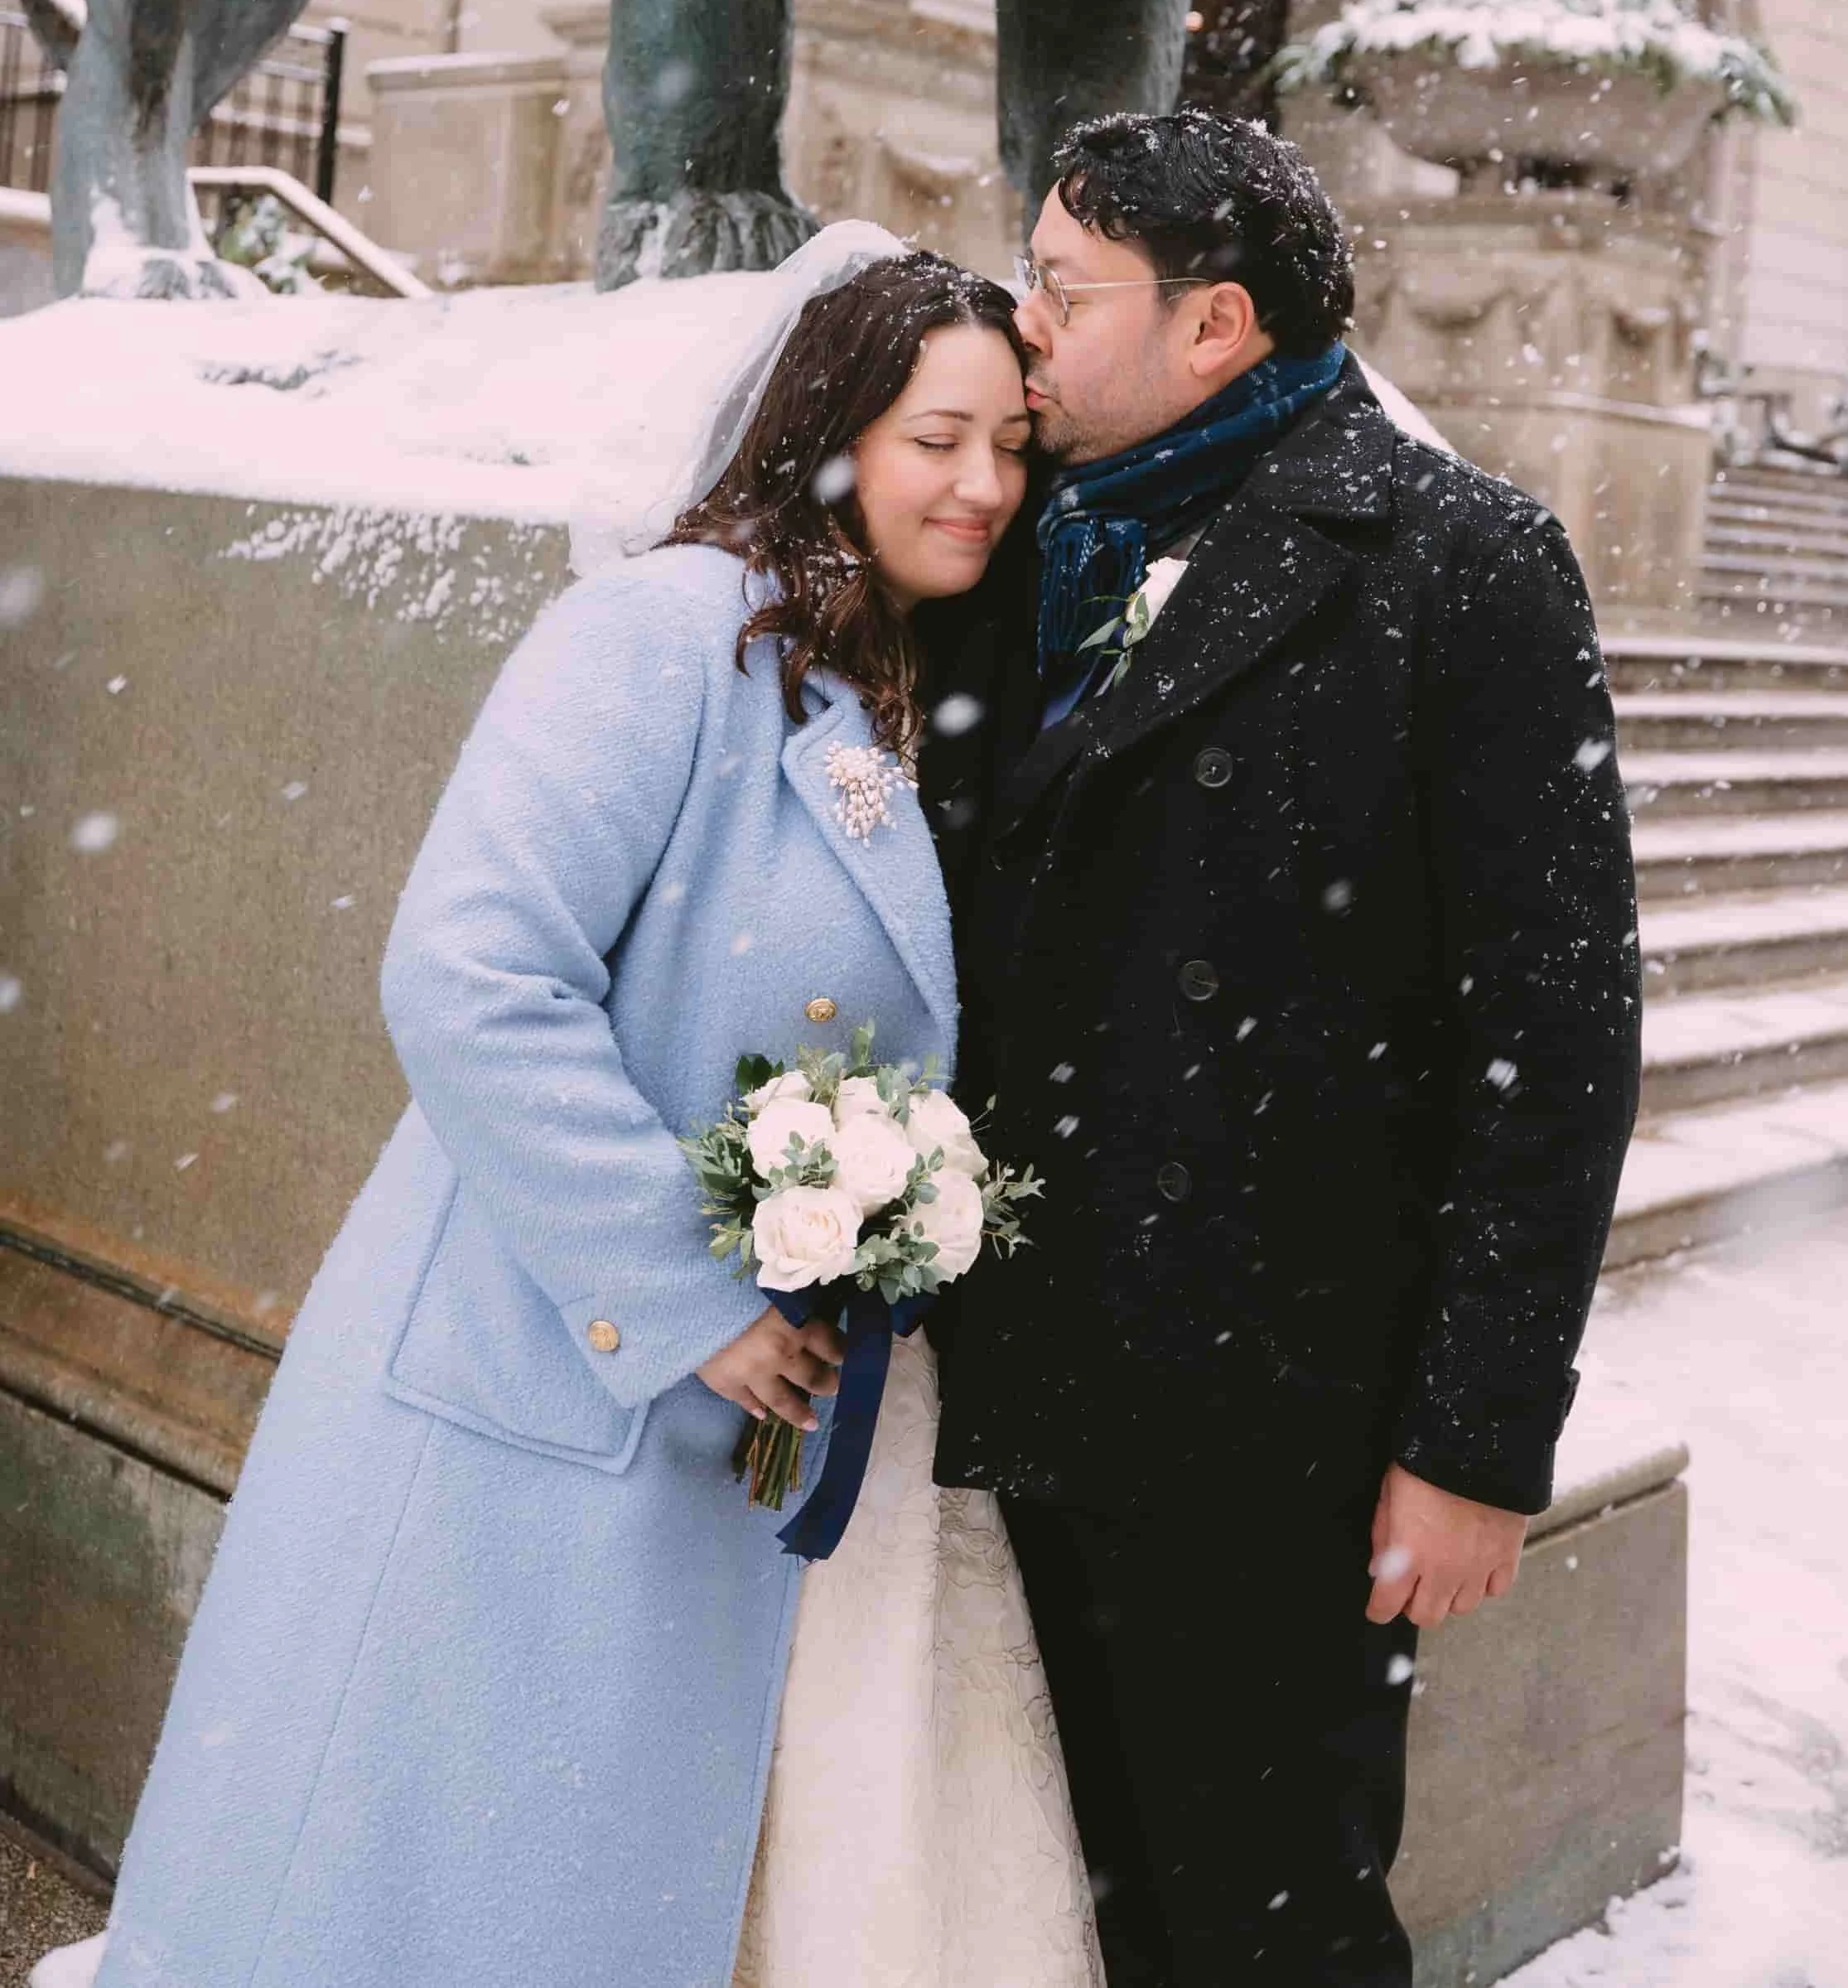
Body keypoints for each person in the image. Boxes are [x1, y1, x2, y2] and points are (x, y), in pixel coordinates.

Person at [60, 234, 1103, 1988]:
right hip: (531, 1379)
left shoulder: (889, 672)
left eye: (1011, 443)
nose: (984, 485)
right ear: (830, 432)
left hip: (717, 1434)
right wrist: (689, 1292)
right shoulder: (662, 630)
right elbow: (470, 972)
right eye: (936, 439)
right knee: (407, 1901)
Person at [922, 112, 1643, 1988]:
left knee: (1269, 1932)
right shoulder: (1014, 535)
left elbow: (1554, 1036)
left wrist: (1476, 1443)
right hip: (1017, 1369)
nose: (1023, 321)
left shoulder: (1460, 560)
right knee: (1077, 1914)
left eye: (1065, 290)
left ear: (1214, 323)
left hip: (1274, 1424)